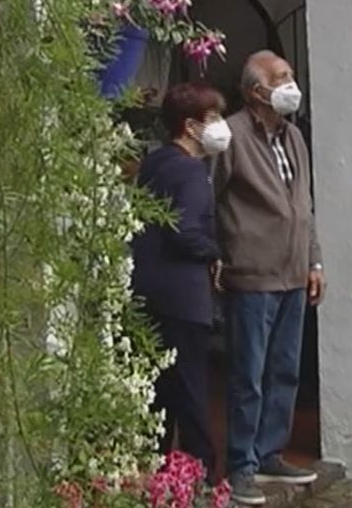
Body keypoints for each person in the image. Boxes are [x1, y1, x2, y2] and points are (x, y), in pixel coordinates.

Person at [213, 51, 322, 506]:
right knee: (248, 375)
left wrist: (314, 261)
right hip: (252, 275)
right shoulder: (230, 135)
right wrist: (214, 257)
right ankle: (241, 465)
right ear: (257, 91)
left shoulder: (294, 135)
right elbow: (207, 197)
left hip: (294, 273)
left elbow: (305, 205)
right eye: (282, 78)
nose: (291, 85)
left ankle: (270, 450)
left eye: (291, 76)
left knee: (284, 370)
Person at [131, 82, 230, 482]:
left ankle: (160, 475)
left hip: (151, 292)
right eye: (214, 118)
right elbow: (185, 232)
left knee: (160, 393)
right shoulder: (190, 171)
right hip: (184, 297)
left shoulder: (155, 163)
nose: (221, 126)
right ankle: (203, 476)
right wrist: (214, 252)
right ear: (190, 126)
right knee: (190, 389)